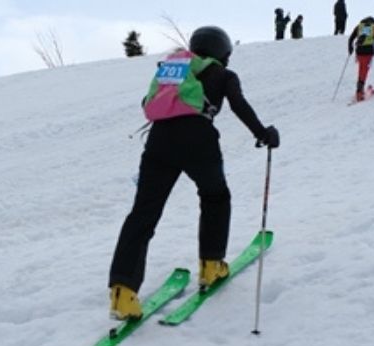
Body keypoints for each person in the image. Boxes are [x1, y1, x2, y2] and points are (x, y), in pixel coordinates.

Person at [108, 26, 280, 320]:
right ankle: (211, 267)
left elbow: (147, 102)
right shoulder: (222, 74)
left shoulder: (172, 69)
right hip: (198, 139)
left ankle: (123, 293)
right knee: (215, 196)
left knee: (144, 212)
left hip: (159, 140)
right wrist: (263, 133)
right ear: (222, 52)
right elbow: (238, 104)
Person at [348, 16, 374, 101]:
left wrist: (350, 48)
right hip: (369, 52)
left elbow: (351, 38)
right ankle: (359, 92)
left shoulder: (359, 27)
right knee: (364, 71)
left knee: (361, 69)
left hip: (359, 52)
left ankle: (360, 89)